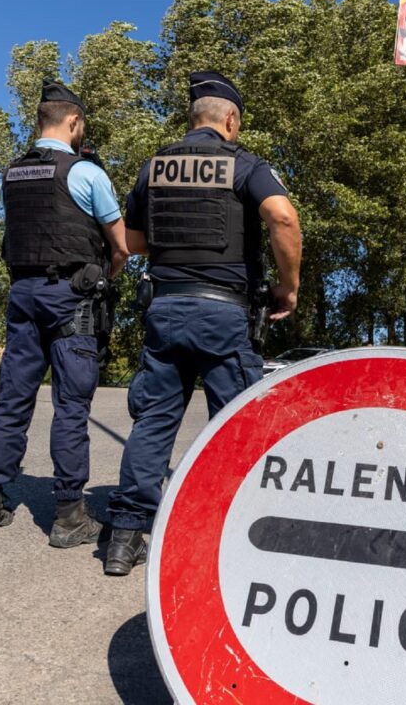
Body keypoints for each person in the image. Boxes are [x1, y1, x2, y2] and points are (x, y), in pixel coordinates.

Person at [104, 71, 302, 576]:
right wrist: (289, 286)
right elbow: (282, 218)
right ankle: (237, 535)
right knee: (236, 426)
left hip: (166, 311)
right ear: (230, 120)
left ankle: (125, 538)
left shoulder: (154, 168)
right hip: (223, 314)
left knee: (153, 423)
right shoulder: (244, 165)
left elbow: (133, 241)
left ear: (193, 118)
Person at [0, 81, 127, 550]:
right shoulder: (86, 173)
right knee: (71, 407)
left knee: (12, 399)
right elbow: (120, 244)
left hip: (23, 293)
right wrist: (105, 275)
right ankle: (69, 515)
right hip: (71, 298)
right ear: (73, 121)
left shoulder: (12, 173)